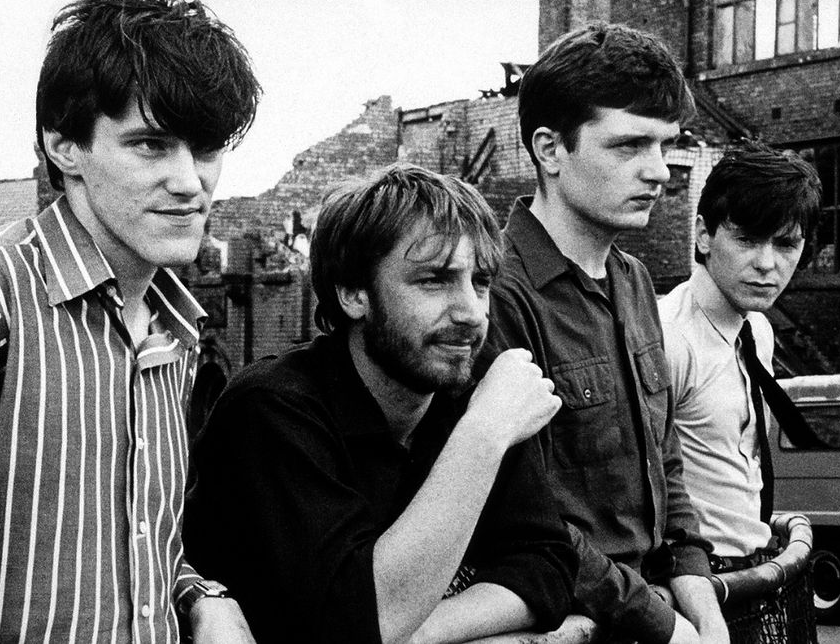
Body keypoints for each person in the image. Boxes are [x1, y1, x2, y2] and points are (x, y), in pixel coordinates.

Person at [184, 164, 659, 643]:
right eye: (434, 280)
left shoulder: (465, 393)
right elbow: (362, 617)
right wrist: (483, 435)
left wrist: (419, 630)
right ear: (353, 293)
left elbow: (547, 567)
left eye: (480, 282)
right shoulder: (272, 410)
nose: (472, 313)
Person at [0, 0, 260, 640]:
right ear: (64, 146)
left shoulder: (175, 331)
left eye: (205, 150)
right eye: (152, 145)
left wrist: (202, 594)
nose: (189, 181)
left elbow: (136, 547)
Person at [483, 22, 729, 643]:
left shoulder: (636, 280)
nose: (660, 172)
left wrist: (703, 608)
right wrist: (665, 625)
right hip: (573, 623)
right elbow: (527, 523)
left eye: (667, 145)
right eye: (628, 146)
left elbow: (665, 464)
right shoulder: (497, 296)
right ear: (550, 149)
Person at [657, 140, 821, 629]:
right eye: (748, 239)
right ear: (704, 235)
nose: (767, 263)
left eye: (785, 244)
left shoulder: (758, 329)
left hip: (758, 577)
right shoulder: (668, 338)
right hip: (698, 588)